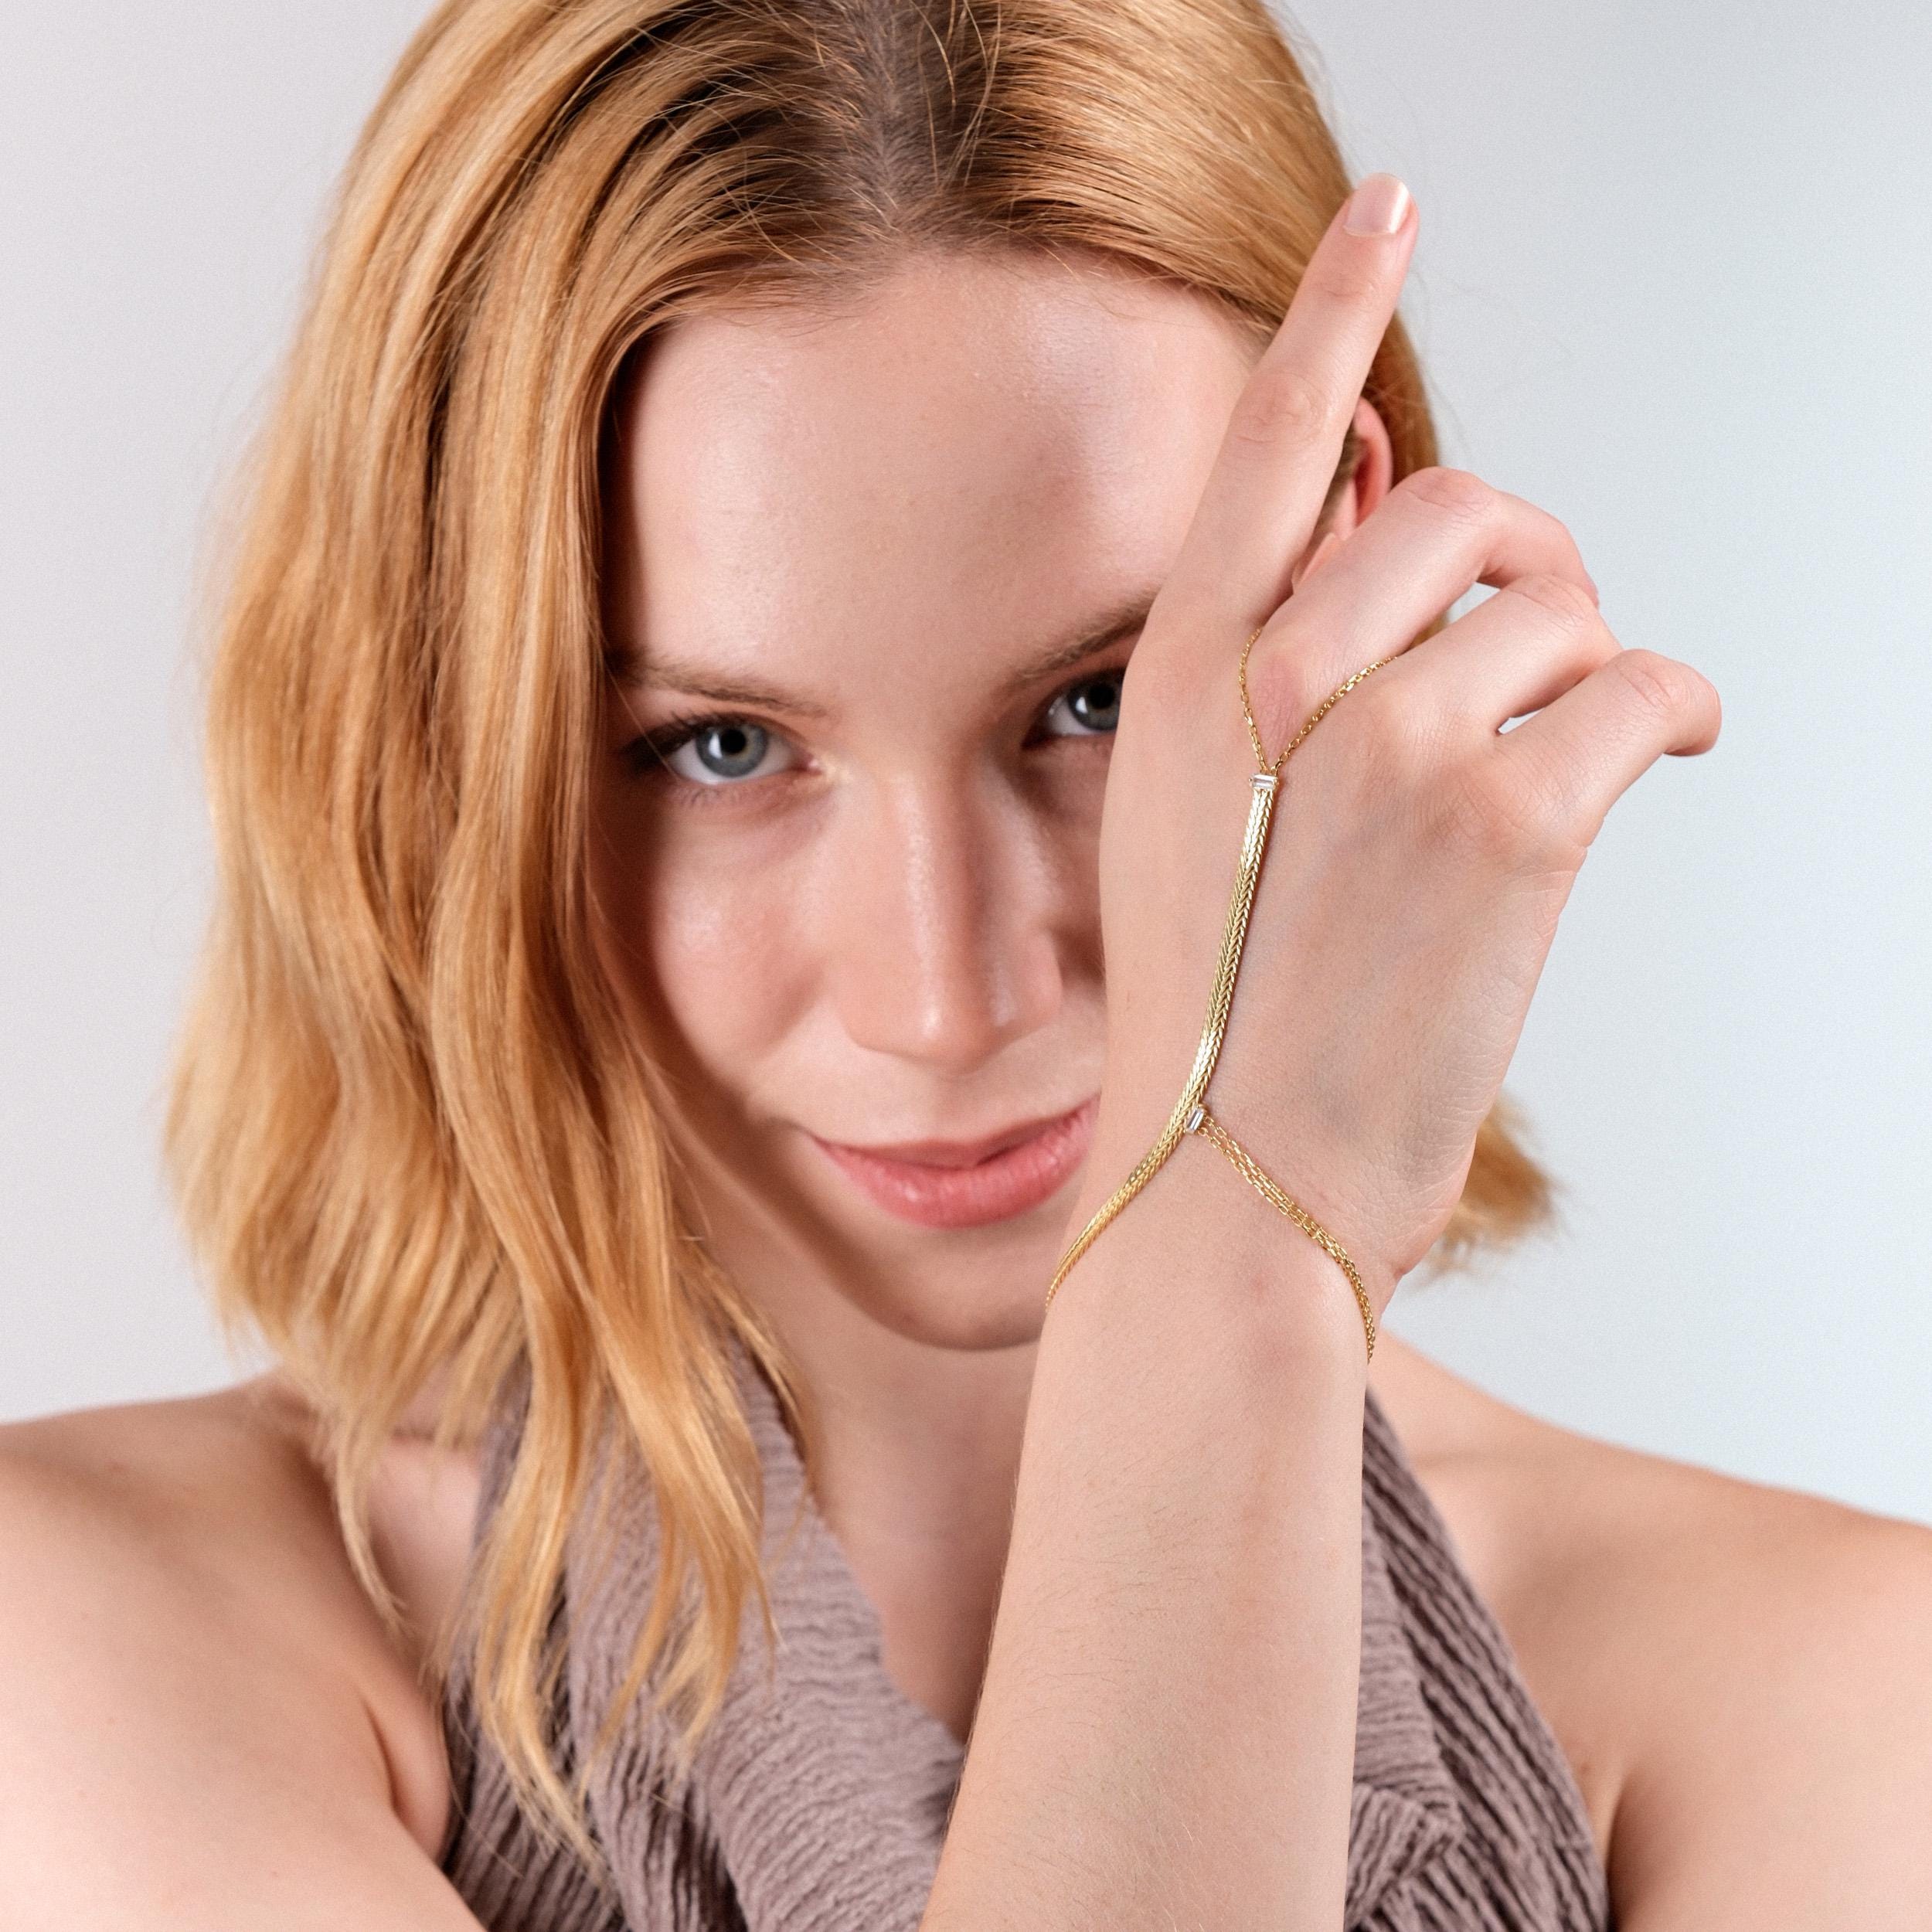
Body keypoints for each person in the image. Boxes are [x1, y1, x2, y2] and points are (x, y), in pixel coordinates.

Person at [3, 1, 1927, 1925]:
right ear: (440, 753)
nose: (946, 998)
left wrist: (1236, 1242)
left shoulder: (1824, 1691)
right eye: (719, 747)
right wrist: (1234, 1241)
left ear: (1366, 596)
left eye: (1098, 702)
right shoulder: (93, 1641)